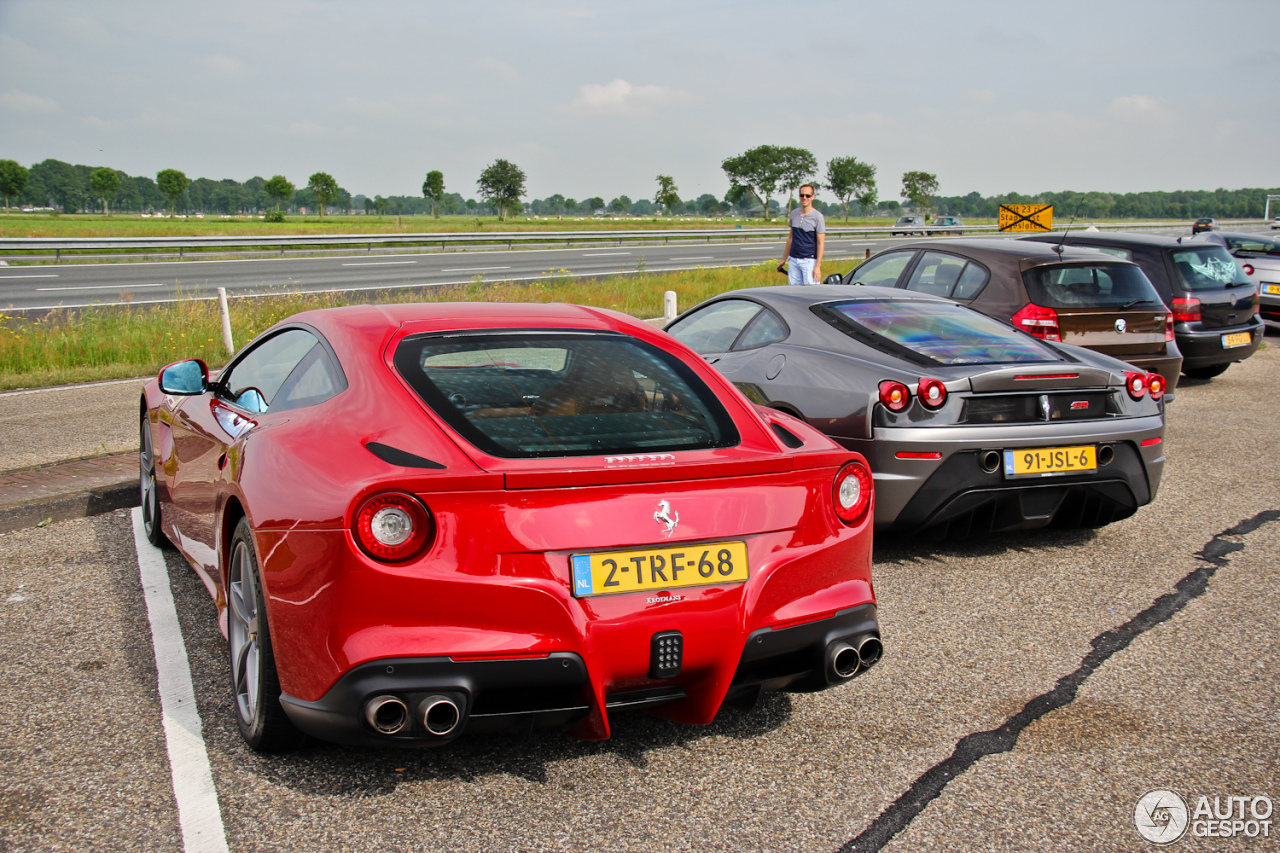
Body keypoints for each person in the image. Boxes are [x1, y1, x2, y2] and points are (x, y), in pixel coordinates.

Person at [778, 184, 825, 285]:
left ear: (812, 197)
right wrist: (783, 259)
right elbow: (790, 238)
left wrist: (817, 266)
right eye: (802, 195)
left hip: (809, 260)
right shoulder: (794, 214)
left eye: (807, 195)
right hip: (794, 259)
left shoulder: (818, 217)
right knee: (794, 293)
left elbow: (820, 243)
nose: (804, 198)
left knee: (810, 293)